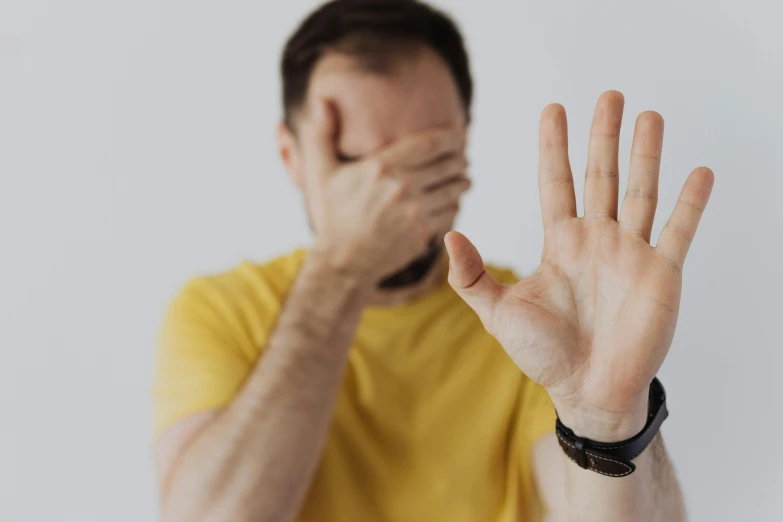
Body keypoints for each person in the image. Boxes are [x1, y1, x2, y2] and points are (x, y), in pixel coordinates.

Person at [151, 1, 714, 521]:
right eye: (353, 164)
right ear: (290, 156)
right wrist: (341, 268)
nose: (390, 195)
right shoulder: (221, 310)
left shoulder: (536, 322)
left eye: (424, 161)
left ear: (463, 148)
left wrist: (608, 420)